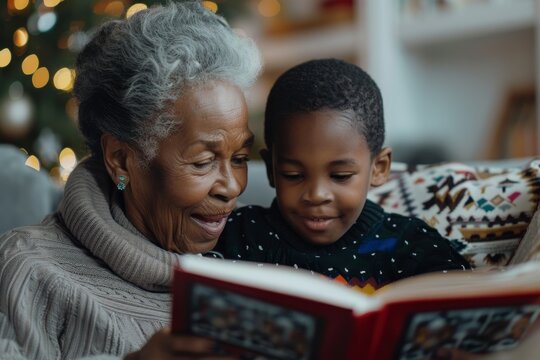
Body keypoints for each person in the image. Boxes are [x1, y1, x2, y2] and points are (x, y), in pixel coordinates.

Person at [0, 2, 261, 359]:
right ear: (122, 160)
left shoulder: (260, 252)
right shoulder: (32, 270)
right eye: (203, 162)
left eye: (241, 158)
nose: (231, 187)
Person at [216, 59, 470, 292]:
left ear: (379, 168)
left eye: (340, 176)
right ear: (272, 170)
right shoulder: (238, 235)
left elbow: (465, 309)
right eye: (293, 175)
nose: (316, 195)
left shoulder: (410, 244)